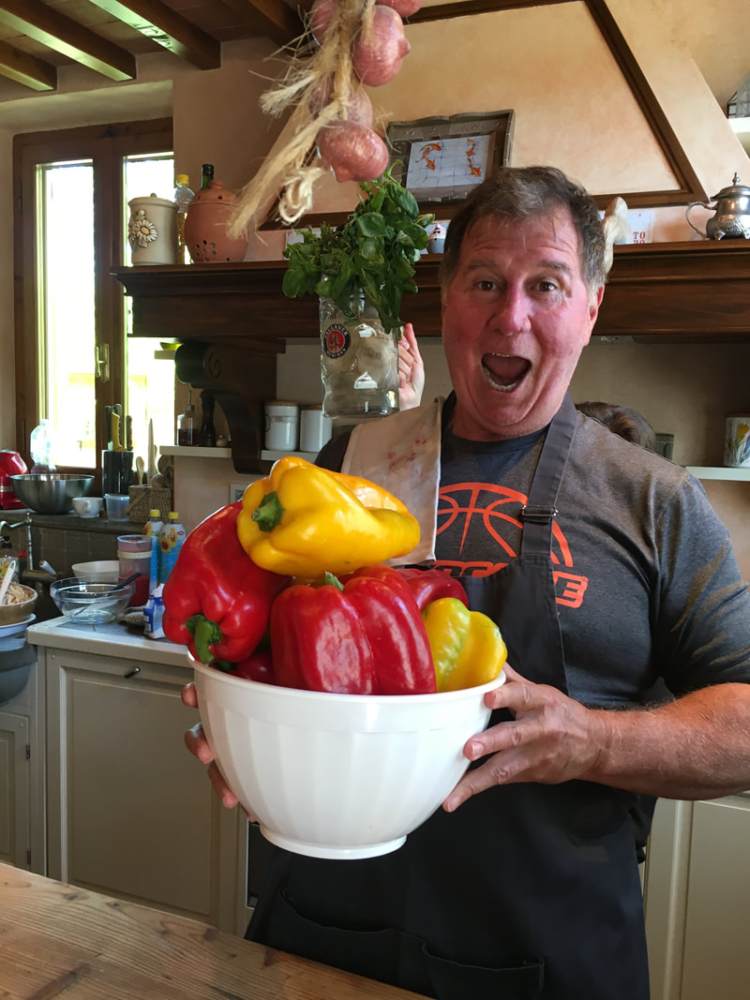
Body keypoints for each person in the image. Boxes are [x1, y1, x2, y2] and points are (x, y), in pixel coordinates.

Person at [183, 166, 750, 999]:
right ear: (445, 302)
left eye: (545, 285)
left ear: (590, 308)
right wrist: (238, 733)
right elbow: (251, 656)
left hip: (553, 957)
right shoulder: (350, 468)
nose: (509, 315)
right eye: (484, 281)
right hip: (327, 940)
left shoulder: (654, 499)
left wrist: (593, 739)